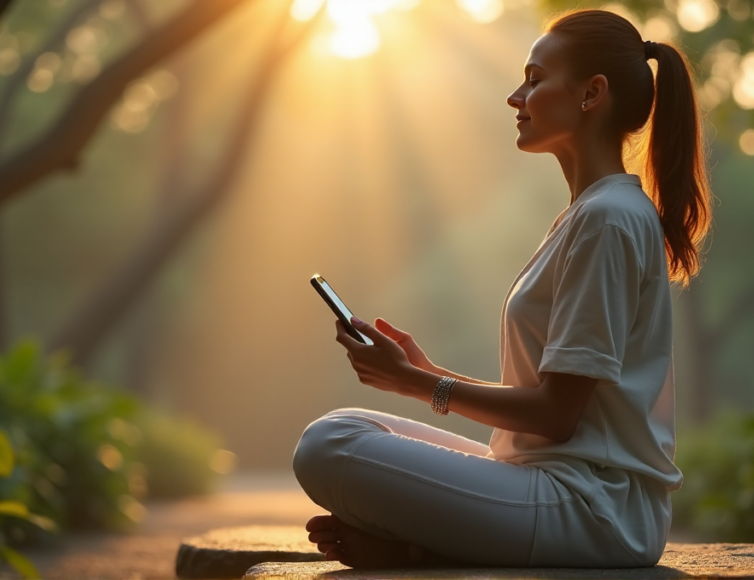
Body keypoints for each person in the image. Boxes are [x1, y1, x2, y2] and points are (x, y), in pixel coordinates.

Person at [292, 8, 712, 570]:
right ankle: (416, 546)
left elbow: (556, 415)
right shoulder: (591, 214)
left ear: (592, 93)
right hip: (549, 482)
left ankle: (417, 546)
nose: (517, 97)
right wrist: (422, 377)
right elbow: (559, 405)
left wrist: (421, 381)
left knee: (329, 443)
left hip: (592, 508)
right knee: (355, 426)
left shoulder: (608, 219)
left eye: (535, 80)